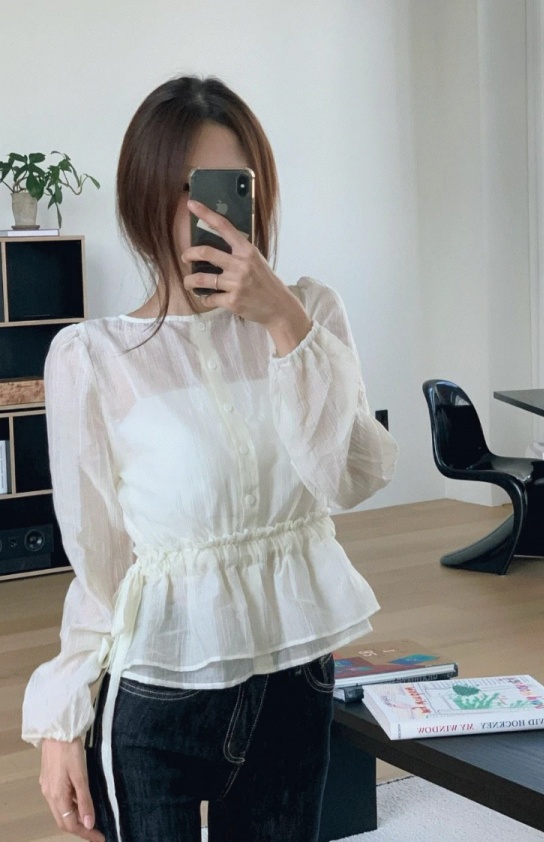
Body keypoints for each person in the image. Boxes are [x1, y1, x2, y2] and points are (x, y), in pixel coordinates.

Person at [21, 75, 398, 842]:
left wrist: (283, 321)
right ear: (145, 196)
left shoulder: (311, 316)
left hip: (295, 675)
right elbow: (100, 562)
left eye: (232, 189)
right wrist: (63, 715)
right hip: (158, 694)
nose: (211, 215)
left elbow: (348, 478)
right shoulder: (93, 358)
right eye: (190, 191)